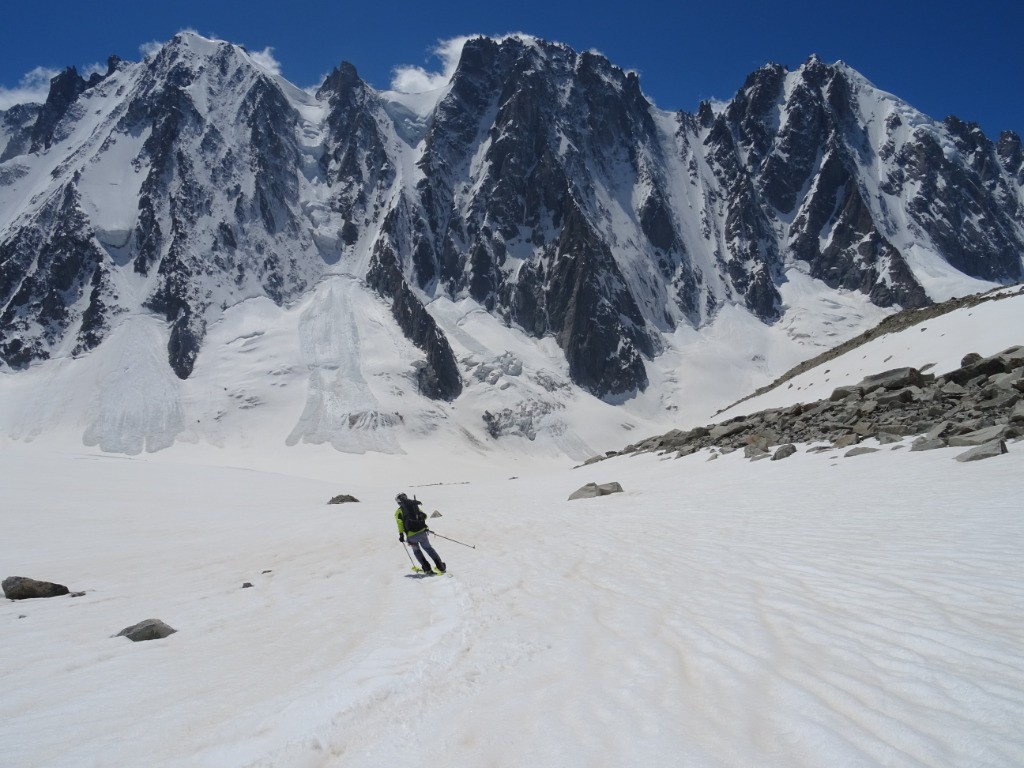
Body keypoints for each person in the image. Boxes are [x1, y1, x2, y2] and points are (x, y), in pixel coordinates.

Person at [395, 492, 446, 574]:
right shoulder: (414, 506)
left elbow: (400, 523)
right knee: (429, 549)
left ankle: (427, 568)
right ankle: (441, 566)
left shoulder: (398, 512)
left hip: (411, 536)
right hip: (422, 533)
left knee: (417, 551)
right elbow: (424, 516)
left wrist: (401, 534)